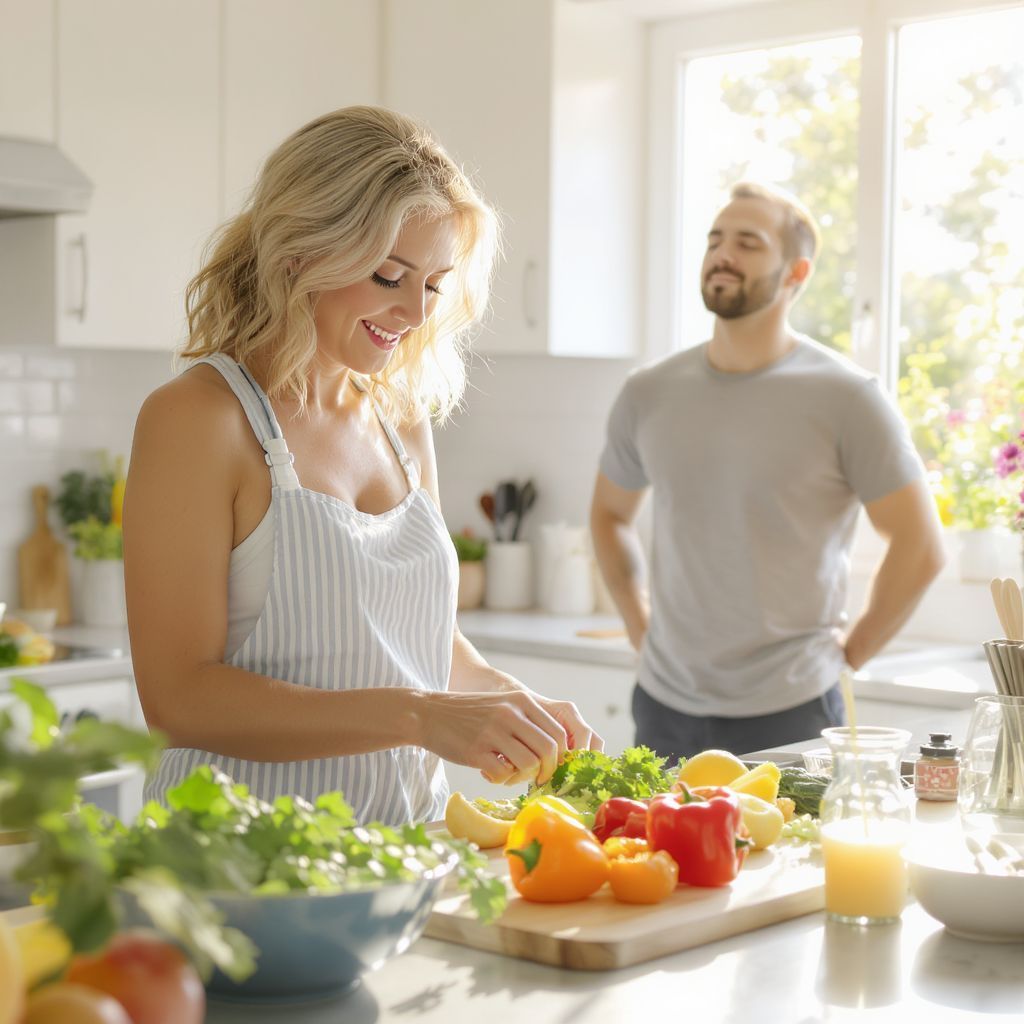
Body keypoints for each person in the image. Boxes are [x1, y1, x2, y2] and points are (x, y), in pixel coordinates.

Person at [124, 106, 601, 825]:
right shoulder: (199, 419)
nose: (415, 311)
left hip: (399, 854)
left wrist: (511, 704)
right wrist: (420, 717)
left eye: (435, 284)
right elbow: (180, 700)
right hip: (237, 872)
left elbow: (422, 645)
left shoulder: (398, 417)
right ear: (299, 253)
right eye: (388, 276)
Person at [590, 181, 945, 762]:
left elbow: (921, 544)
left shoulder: (847, 396)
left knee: (792, 857)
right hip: (663, 704)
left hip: (794, 707)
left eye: (748, 243)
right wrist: (638, 623)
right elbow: (608, 515)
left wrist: (851, 653)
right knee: (653, 857)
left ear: (796, 273)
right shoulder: (649, 392)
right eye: (715, 239)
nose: (723, 254)